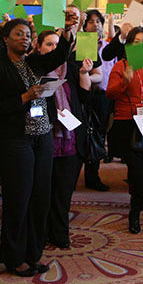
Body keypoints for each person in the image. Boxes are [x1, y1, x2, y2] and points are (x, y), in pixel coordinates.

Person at [0, 18, 68, 276]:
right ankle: (13, 256)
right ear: (5, 39)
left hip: (42, 138)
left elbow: (60, 55)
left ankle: (33, 253)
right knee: (19, 199)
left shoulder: (34, 62)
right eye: (18, 34)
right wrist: (24, 97)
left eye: (28, 34)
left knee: (40, 197)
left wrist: (69, 31)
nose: (25, 38)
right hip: (15, 140)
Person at [106, 27, 143, 234]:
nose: (142, 45)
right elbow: (110, 93)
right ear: (129, 45)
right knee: (138, 172)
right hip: (125, 124)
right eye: (136, 41)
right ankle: (135, 213)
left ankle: (142, 208)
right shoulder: (120, 66)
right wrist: (125, 79)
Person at [41, 30, 97, 248]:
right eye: (49, 45)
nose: (54, 49)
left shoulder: (71, 67)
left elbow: (85, 98)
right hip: (45, 139)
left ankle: (60, 233)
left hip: (71, 140)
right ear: (39, 48)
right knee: (45, 192)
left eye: (57, 45)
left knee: (63, 193)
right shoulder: (36, 70)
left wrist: (84, 73)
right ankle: (43, 232)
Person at [81, 9, 112, 191]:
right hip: (86, 94)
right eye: (91, 21)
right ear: (84, 26)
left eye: (98, 21)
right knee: (84, 133)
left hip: (105, 96)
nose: (95, 24)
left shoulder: (109, 46)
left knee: (100, 134)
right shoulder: (82, 44)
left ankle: (93, 174)